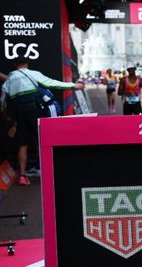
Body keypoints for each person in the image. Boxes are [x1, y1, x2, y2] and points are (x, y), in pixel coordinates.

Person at [0, 56, 84, 186]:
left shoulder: (9, 80)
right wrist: (74, 86)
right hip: (35, 111)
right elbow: (52, 83)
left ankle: (22, 176)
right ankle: (49, 172)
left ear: (15, 65)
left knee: (23, 144)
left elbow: (3, 103)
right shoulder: (33, 74)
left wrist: (10, 119)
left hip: (19, 114)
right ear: (27, 64)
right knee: (43, 140)